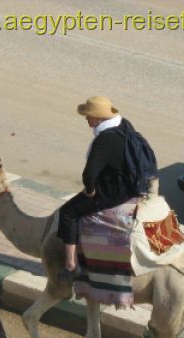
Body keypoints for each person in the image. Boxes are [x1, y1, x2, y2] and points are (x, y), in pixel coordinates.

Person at [56, 95, 136, 282]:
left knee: (68, 212)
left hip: (112, 191)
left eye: (88, 115)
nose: (86, 118)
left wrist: (91, 191)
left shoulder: (104, 140)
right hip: (129, 184)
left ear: (99, 118)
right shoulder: (124, 125)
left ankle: (71, 265)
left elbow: (89, 175)